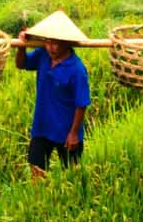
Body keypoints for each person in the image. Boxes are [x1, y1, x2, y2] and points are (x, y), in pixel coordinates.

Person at [15, 11, 92, 178]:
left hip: (66, 130)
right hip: (42, 127)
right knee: (37, 172)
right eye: (48, 42)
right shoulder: (43, 55)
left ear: (66, 43)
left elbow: (81, 104)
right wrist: (22, 46)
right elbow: (21, 64)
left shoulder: (76, 70)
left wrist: (73, 134)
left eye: (56, 44)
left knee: (72, 176)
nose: (51, 47)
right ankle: (40, 201)